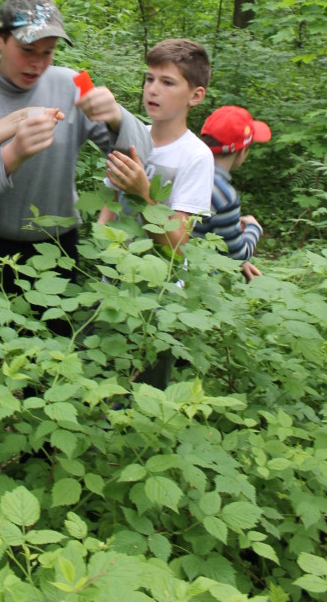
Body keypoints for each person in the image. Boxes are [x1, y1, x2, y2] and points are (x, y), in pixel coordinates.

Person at [0, 0, 150, 388]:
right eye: (27, 50)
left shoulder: (72, 84)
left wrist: (118, 117)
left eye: (48, 51)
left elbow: (141, 157)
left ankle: (42, 453)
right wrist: (12, 154)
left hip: (56, 250)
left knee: (50, 376)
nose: (37, 63)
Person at [97, 38, 214, 389]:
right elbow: (108, 206)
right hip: (111, 283)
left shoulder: (195, 156)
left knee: (143, 388)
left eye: (167, 82)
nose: (153, 90)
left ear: (196, 95)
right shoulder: (133, 136)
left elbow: (177, 244)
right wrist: (98, 256)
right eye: (149, 79)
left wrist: (144, 194)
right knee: (102, 382)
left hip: (157, 296)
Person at [192, 104, 272, 282]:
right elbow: (237, 256)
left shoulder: (184, 168)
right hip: (195, 280)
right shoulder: (225, 196)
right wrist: (253, 228)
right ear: (243, 151)